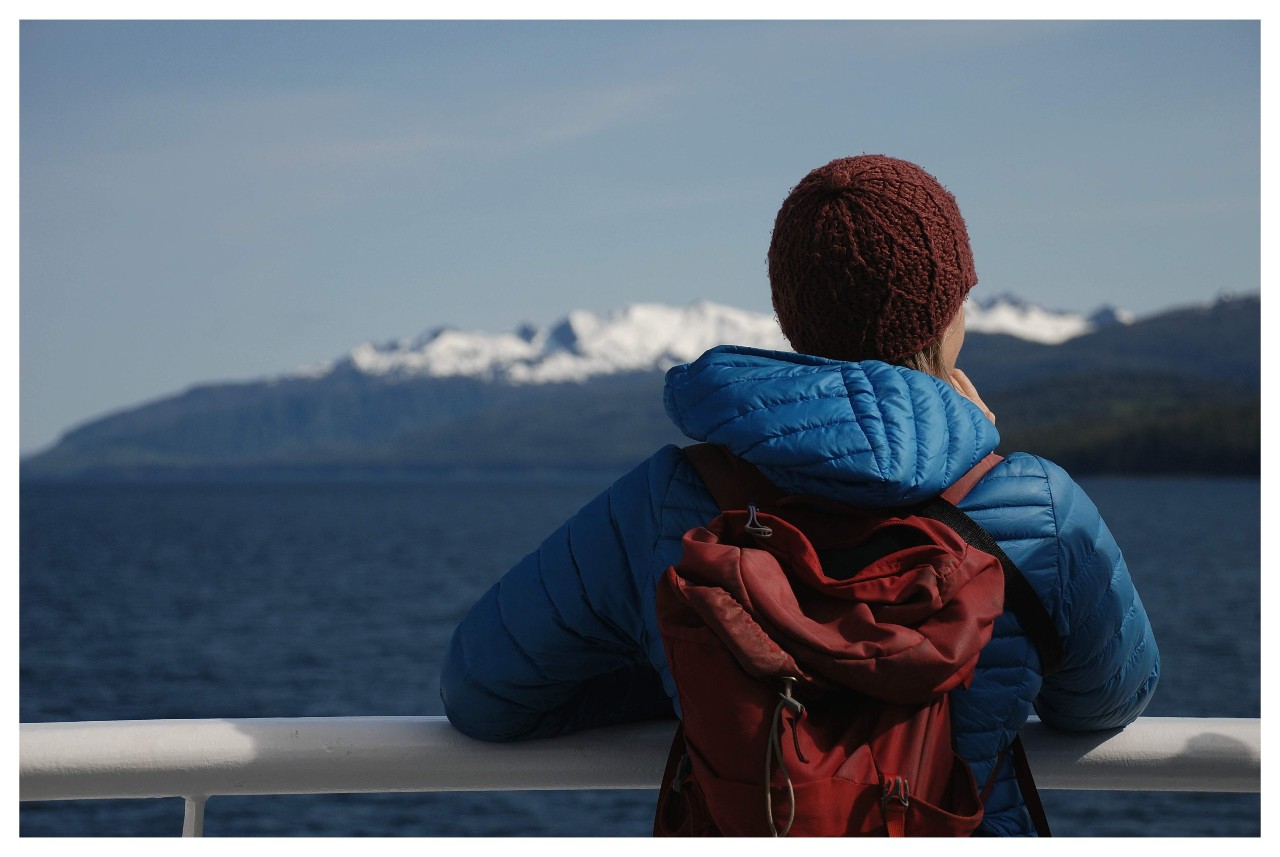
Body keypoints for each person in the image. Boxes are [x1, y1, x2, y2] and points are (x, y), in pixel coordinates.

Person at [440, 154, 1160, 836]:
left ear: (793, 313)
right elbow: (1106, 699)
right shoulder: (1037, 505)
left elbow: (484, 694)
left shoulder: (665, 499)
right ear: (947, 315)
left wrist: (688, 680)